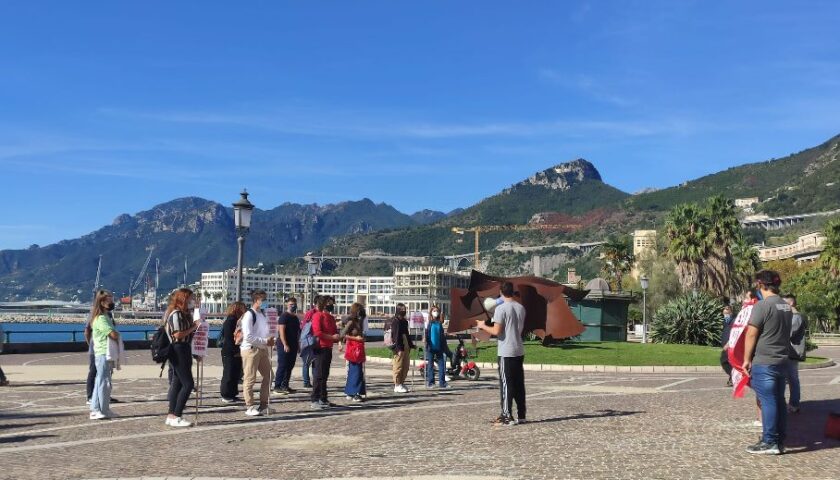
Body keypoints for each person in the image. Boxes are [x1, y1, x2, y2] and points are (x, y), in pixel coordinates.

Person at [742, 270, 792, 455]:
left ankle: (769, 440)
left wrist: (747, 359)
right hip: (782, 360)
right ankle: (779, 440)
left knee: (768, 400)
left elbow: (751, 333)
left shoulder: (762, 306)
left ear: (761, 284)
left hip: (765, 361)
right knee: (779, 400)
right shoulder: (786, 306)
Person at [475, 282, 527, 426]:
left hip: (506, 351)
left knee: (506, 383)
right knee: (518, 383)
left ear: (501, 292)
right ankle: (521, 414)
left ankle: (506, 414)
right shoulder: (521, 308)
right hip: (518, 349)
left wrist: (482, 325)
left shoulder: (501, 309)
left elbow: (497, 331)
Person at [164, 288, 199, 427]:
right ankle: (176, 414)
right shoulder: (176, 314)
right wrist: (193, 328)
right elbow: (177, 334)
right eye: (190, 299)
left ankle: (171, 414)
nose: (191, 301)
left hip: (185, 348)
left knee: (178, 383)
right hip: (178, 349)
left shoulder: (185, 314)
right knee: (188, 384)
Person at [240, 289, 275, 416]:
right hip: (251, 349)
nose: (265, 301)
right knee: (250, 378)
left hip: (262, 349)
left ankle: (263, 404)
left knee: (269, 376)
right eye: (263, 299)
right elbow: (248, 336)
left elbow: (265, 332)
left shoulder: (262, 314)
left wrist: (271, 340)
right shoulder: (249, 315)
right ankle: (249, 406)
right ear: (256, 300)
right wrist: (265, 340)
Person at [89, 289, 120, 420]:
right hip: (102, 353)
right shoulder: (101, 318)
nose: (112, 302)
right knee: (103, 381)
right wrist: (116, 334)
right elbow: (112, 334)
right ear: (102, 302)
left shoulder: (106, 316)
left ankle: (103, 408)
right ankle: (96, 409)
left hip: (106, 353)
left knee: (102, 381)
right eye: (109, 300)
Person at [310, 296, 339, 409]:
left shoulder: (331, 317)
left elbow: (334, 332)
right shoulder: (318, 315)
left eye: (332, 303)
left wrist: (336, 337)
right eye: (329, 303)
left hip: (328, 348)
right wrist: (331, 337)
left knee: (325, 374)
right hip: (320, 347)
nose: (331, 305)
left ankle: (323, 397)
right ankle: (315, 399)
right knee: (319, 375)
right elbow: (317, 332)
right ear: (324, 304)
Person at [783, 294, 807, 414]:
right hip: (788, 352)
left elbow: (788, 333)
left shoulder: (796, 317)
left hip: (792, 353)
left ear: (791, 303)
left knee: (792, 379)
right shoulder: (791, 316)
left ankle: (794, 404)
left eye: (784, 302)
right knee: (789, 379)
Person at [220, 301, 247, 403]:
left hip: (237, 350)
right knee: (229, 373)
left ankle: (232, 393)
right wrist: (235, 350)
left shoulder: (238, 320)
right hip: (230, 351)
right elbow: (229, 338)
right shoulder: (230, 320)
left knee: (236, 373)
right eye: (243, 308)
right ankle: (226, 394)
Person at [273, 297, 301, 395]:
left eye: (294, 304)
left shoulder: (295, 318)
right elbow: (281, 331)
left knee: (290, 366)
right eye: (290, 304)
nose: (293, 306)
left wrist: (298, 345)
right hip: (284, 345)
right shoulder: (284, 316)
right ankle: (277, 386)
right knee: (283, 365)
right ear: (287, 305)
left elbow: (297, 332)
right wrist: (285, 344)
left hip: (293, 344)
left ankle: (285, 385)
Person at [342, 302, 367, 402]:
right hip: (353, 349)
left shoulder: (359, 322)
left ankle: (351, 392)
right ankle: (354, 393)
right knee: (355, 372)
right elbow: (343, 334)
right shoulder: (351, 322)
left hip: (359, 348)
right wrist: (356, 338)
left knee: (357, 372)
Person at [390, 303, 414, 393]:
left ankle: (402, 382)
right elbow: (396, 336)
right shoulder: (395, 321)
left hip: (405, 344)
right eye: (402, 309)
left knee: (406, 365)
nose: (404, 311)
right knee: (398, 365)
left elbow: (407, 334)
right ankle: (397, 384)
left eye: (405, 309)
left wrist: (411, 345)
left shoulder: (404, 321)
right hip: (399, 346)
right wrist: (398, 348)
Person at [424, 304, 450, 389]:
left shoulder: (439, 324)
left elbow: (442, 336)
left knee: (442, 365)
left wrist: (444, 347)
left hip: (439, 348)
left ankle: (442, 383)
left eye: (437, 311)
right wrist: (425, 341)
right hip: (431, 348)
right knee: (430, 366)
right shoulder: (429, 323)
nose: (436, 313)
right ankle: (431, 383)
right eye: (434, 311)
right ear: (431, 313)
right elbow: (427, 334)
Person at [300, 295, 321, 388]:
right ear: (315, 304)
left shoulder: (320, 312)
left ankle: (315, 381)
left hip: (317, 341)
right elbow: (304, 327)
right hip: (310, 341)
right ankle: (306, 382)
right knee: (307, 362)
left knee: (315, 362)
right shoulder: (311, 313)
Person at [721, 305, 734, 386]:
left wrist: (729, 342)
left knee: (731, 362)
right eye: (724, 312)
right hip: (725, 345)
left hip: (731, 345)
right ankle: (732, 378)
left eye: (726, 311)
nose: (725, 313)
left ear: (731, 312)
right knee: (728, 362)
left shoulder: (734, 321)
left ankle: (732, 379)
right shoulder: (725, 321)